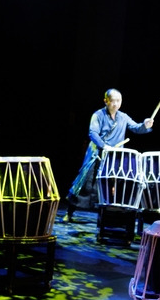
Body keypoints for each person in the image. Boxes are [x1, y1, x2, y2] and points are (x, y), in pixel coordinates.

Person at [64, 88, 155, 222]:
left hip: (114, 158)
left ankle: (106, 218)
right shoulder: (98, 115)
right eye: (113, 101)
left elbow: (136, 128)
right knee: (85, 183)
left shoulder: (123, 117)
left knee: (110, 186)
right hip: (97, 154)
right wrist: (104, 146)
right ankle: (70, 212)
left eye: (119, 101)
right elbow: (93, 133)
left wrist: (145, 125)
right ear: (106, 101)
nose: (116, 104)